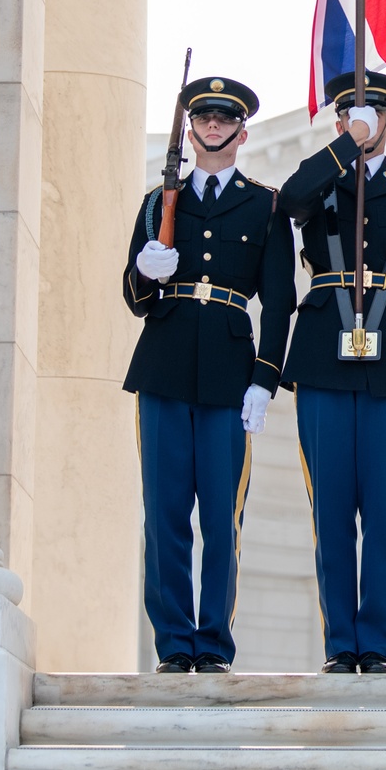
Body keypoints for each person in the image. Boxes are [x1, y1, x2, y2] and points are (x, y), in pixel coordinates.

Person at [122, 76, 296, 674]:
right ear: (191, 128)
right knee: (165, 514)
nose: (214, 126)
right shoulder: (160, 199)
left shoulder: (265, 204)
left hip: (228, 370)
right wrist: (147, 272)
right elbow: (134, 296)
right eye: (204, 116)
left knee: (222, 518)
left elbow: (279, 301)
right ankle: (173, 643)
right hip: (165, 364)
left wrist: (265, 379)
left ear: (242, 131)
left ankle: (214, 643)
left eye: (224, 117)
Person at [279, 70, 386, 674]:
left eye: (374, 116)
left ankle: (374, 645)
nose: (365, 123)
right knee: (330, 509)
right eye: (354, 115)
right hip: (325, 357)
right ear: (340, 123)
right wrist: (343, 149)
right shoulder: (321, 180)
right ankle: (338, 645)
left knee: (383, 512)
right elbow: (288, 202)